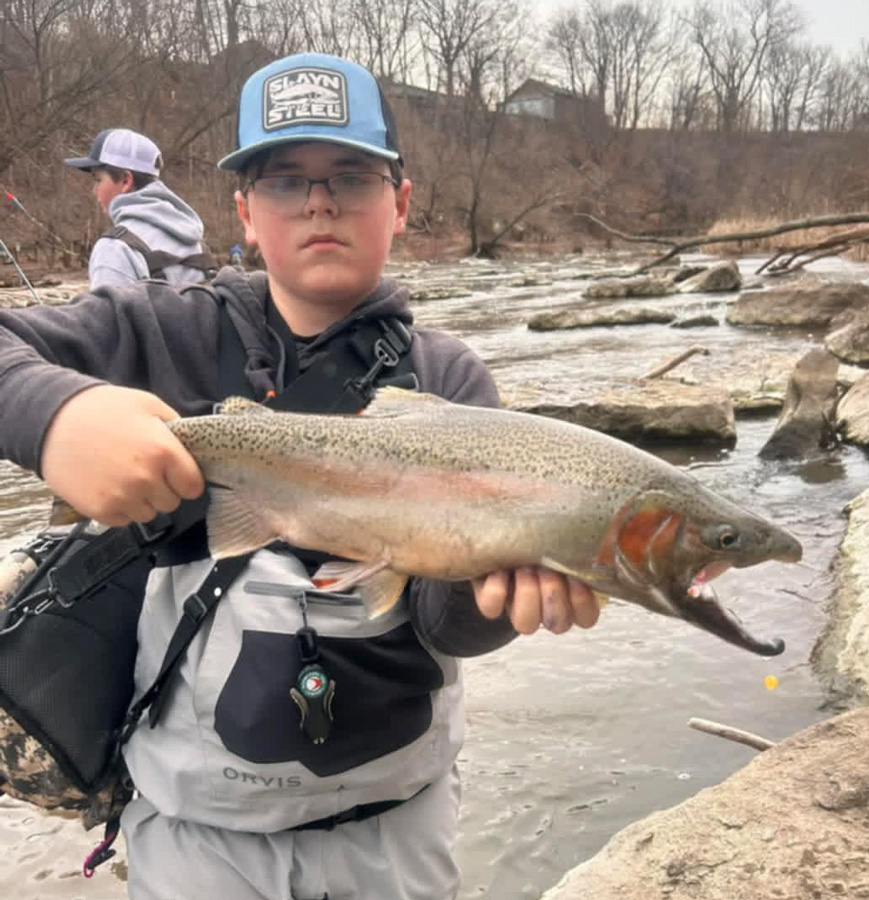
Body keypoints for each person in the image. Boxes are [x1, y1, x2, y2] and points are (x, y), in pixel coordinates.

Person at [0, 52, 599, 899]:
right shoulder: (159, 334)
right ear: (244, 212)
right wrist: (54, 417)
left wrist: (498, 598)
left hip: (395, 831)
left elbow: (443, 624)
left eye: (351, 176)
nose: (321, 202)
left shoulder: (450, 381)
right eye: (287, 181)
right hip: (194, 840)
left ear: (400, 202)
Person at [64, 128, 215, 288]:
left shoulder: (114, 249)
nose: (94, 191)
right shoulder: (196, 242)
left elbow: (104, 313)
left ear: (125, 181)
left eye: (98, 179)